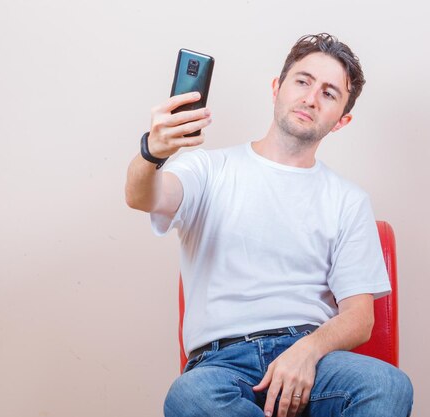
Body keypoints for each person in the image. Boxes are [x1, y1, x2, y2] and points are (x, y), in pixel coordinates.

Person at [125, 33, 413, 417]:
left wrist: (307, 352)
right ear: (277, 87)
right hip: (221, 366)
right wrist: (152, 151)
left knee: (387, 385)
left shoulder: (348, 199)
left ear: (342, 120)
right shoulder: (208, 169)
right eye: (302, 81)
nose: (311, 98)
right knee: (189, 396)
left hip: (312, 361)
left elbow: (359, 319)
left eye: (329, 93)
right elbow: (141, 197)